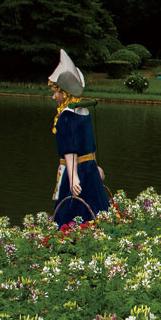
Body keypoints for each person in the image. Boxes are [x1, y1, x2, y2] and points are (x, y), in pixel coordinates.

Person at [48, 50, 109, 226]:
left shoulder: (66, 116)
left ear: (65, 93)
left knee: (71, 211)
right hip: (89, 168)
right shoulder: (84, 111)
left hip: (75, 169)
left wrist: (73, 175)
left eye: (56, 92)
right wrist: (95, 164)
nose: (54, 97)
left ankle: (68, 239)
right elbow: (90, 144)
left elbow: (69, 148)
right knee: (94, 207)